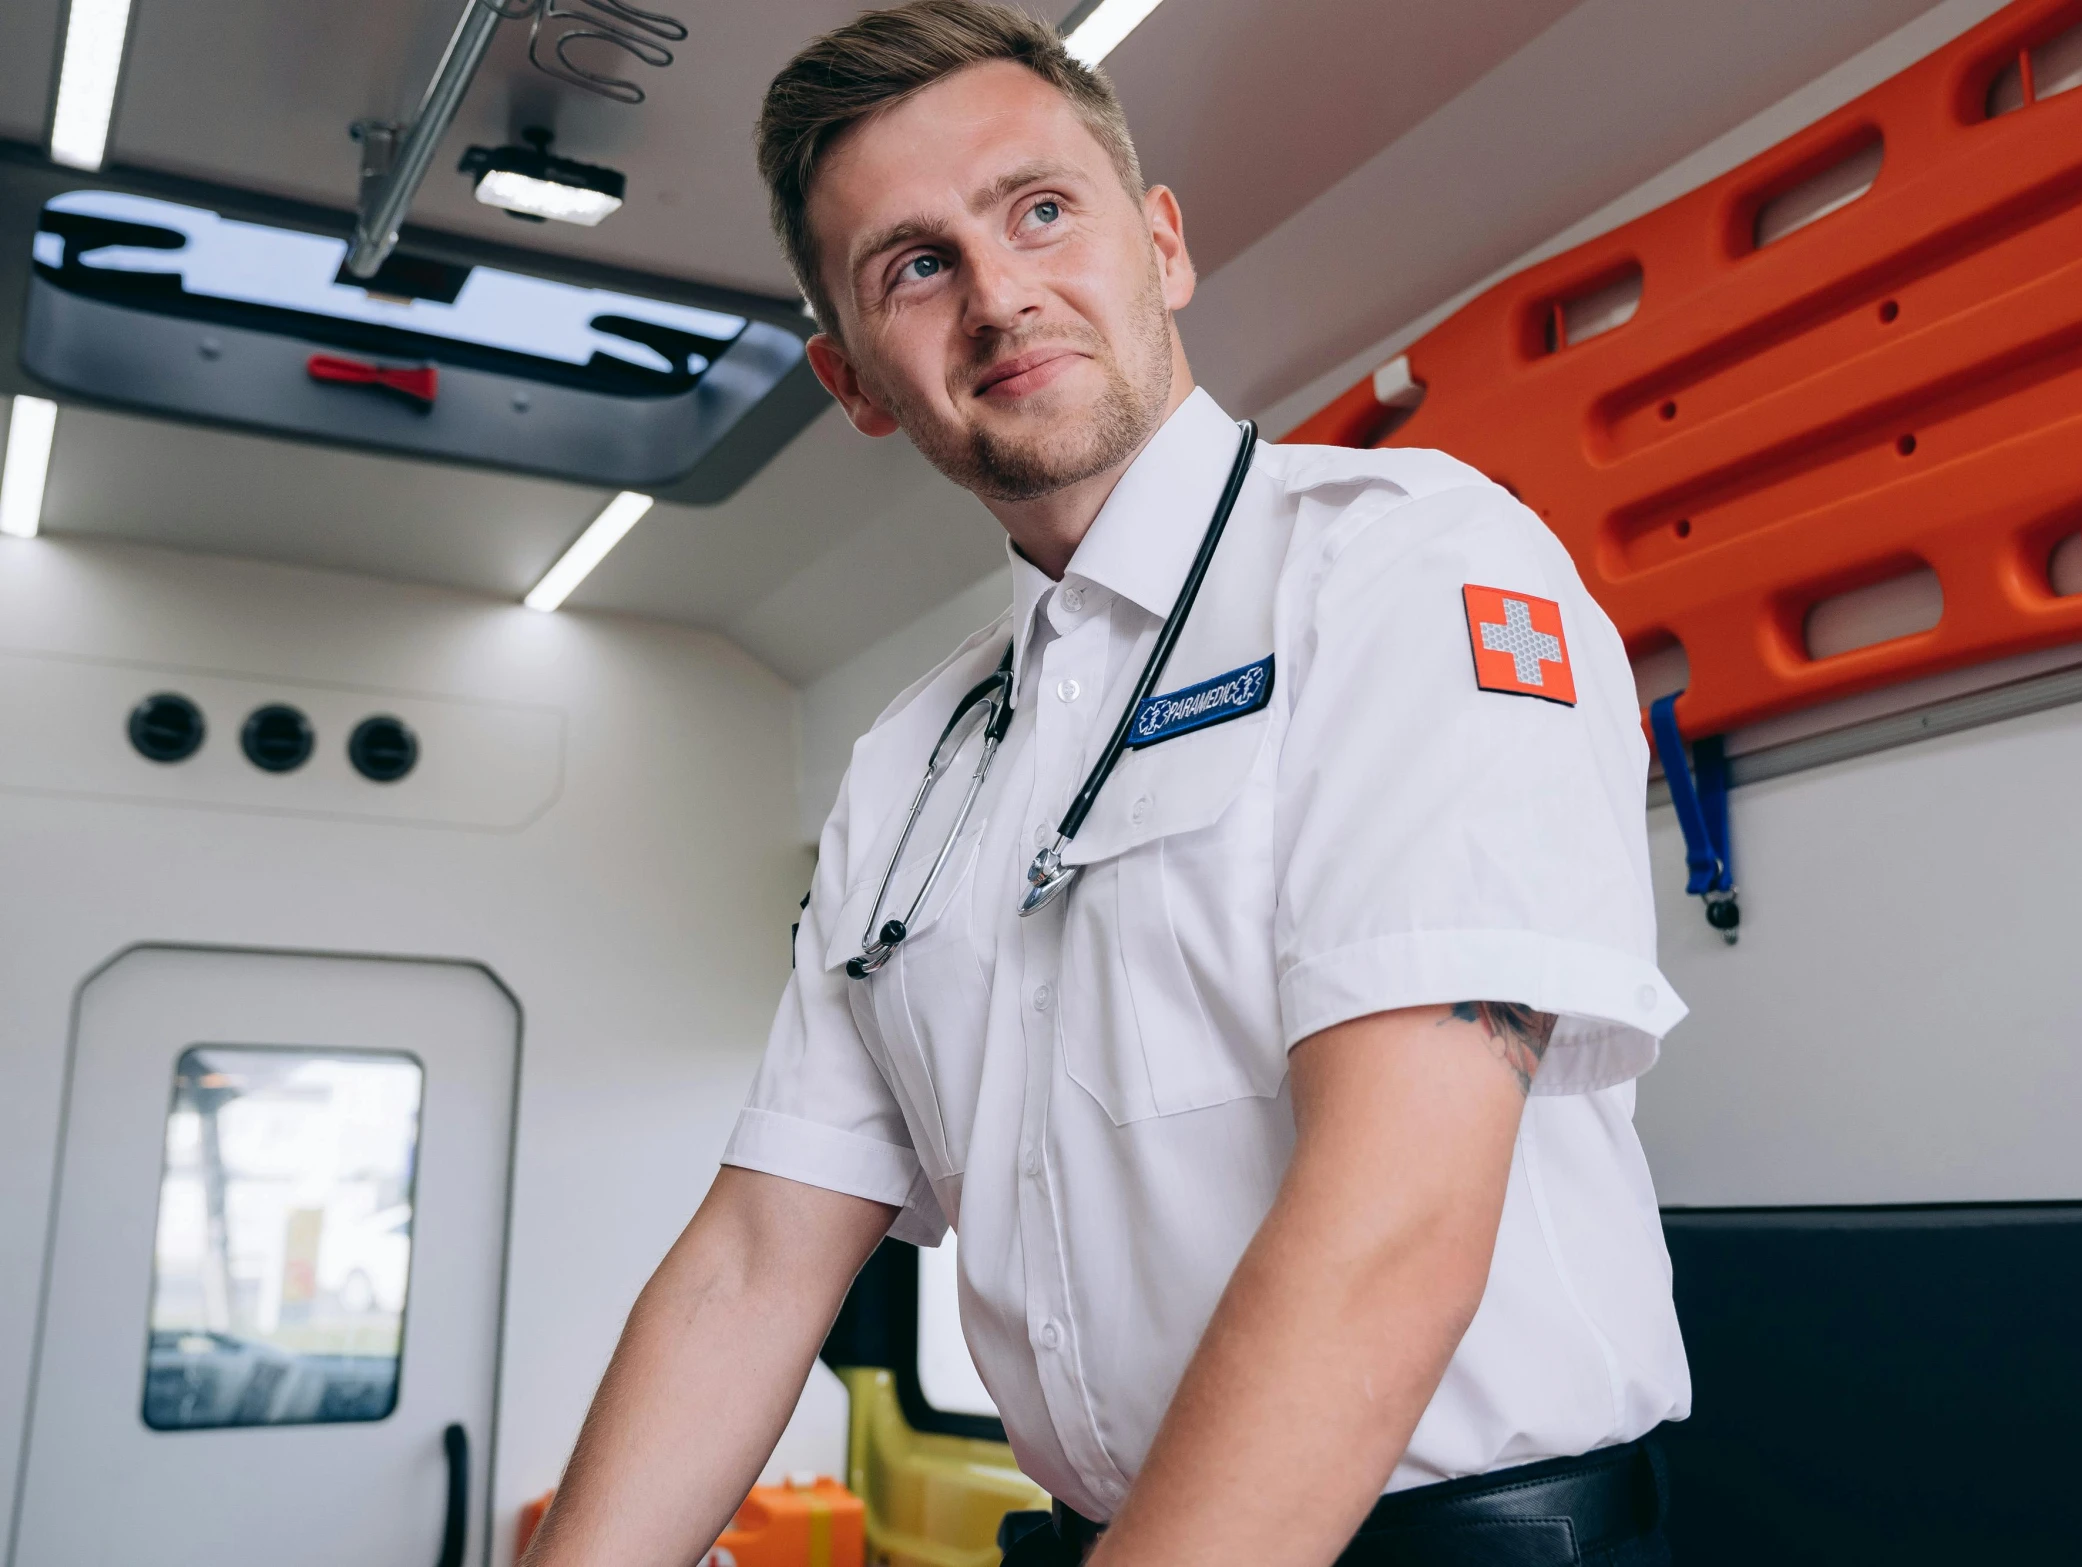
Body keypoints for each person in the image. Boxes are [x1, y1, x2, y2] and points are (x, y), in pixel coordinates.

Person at [519, 3, 1690, 1563]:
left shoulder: (1401, 560)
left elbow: (1391, 1223)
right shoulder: (907, 766)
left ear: (1161, 246)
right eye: (914, 266)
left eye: (1040, 211)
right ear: (856, 379)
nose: (1001, 295)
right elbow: (754, 1258)